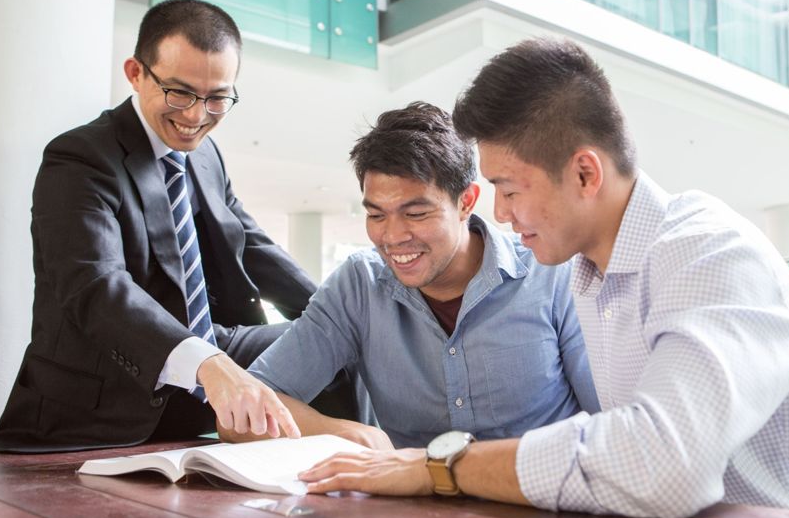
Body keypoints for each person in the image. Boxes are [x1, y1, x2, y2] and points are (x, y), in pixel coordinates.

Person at [295, 38, 789, 518]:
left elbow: (662, 465)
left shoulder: (707, 254)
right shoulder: (591, 272)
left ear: (583, 172)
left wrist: (437, 467)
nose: (499, 214)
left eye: (511, 189)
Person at [0, 0, 354, 453]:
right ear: (135, 73)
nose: (195, 116)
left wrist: (340, 315)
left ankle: (354, 465)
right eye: (179, 92)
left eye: (216, 98)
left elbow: (251, 244)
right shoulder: (80, 158)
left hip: (212, 347)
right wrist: (207, 361)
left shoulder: (206, 156)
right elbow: (95, 285)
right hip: (107, 394)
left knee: (340, 343)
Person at [223, 102, 600, 449]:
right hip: (411, 514)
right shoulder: (359, 286)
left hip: (543, 506)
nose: (393, 237)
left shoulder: (551, 276)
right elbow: (240, 415)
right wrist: (343, 432)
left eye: (416, 213)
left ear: (466, 201)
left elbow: (612, 423)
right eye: (376, 215)